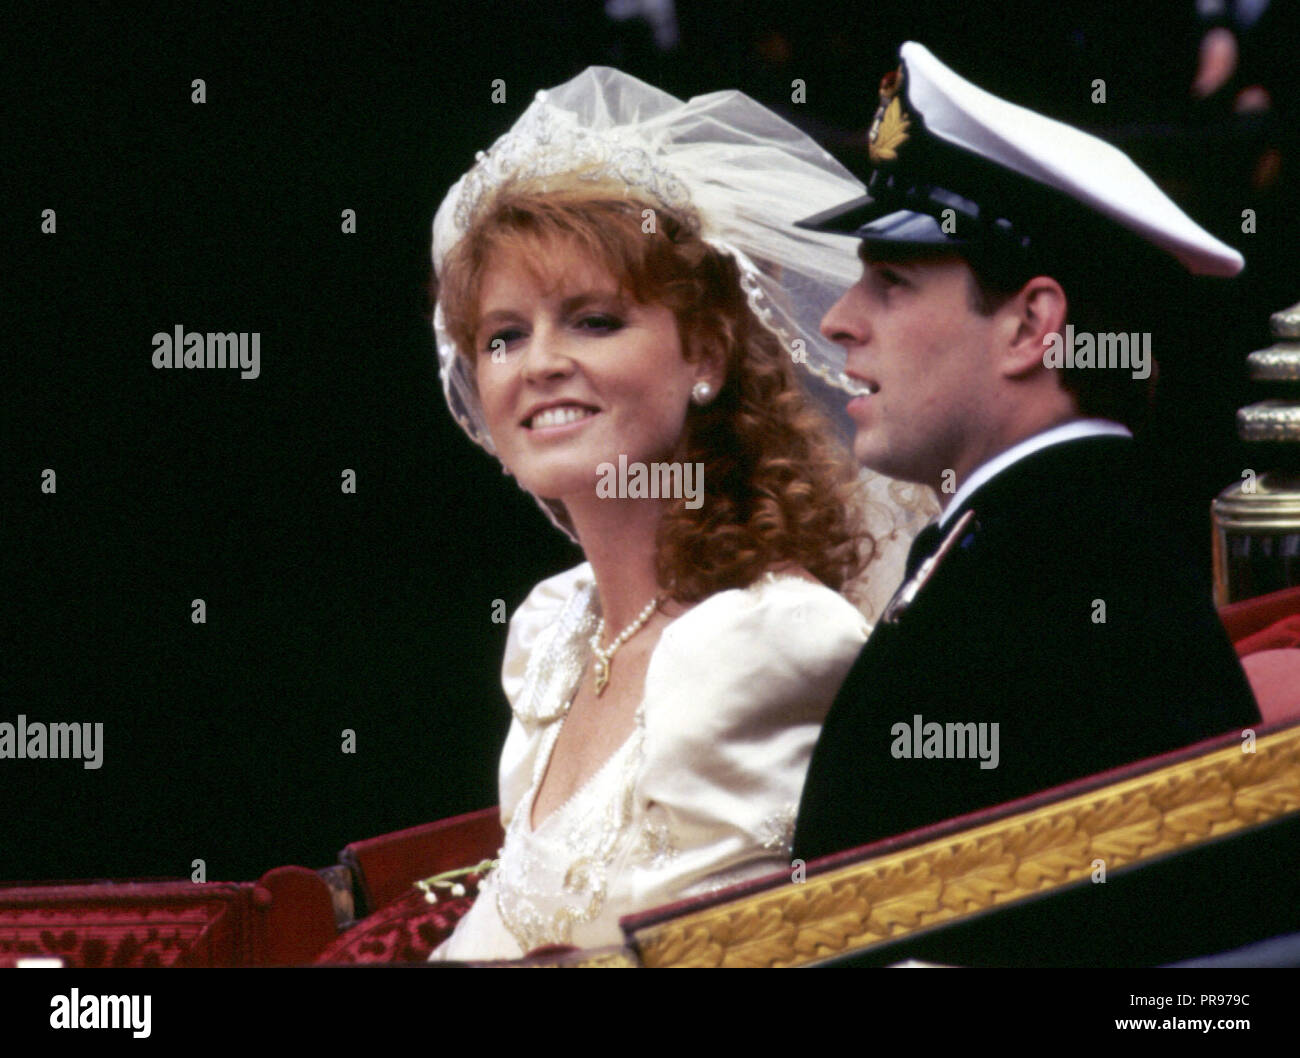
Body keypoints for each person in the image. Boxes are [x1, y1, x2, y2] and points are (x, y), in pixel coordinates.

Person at [425, 67, 933, 959]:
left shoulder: (762, 640)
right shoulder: (552, 635)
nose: (537, 362)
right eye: (503, 336)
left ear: (704, 351)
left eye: (592, 321)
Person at [792, 42, 1262, 863]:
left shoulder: (1069, 564)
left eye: (892, 280)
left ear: (1031, 326)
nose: (838, 319)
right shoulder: (1040, 534)